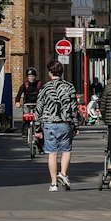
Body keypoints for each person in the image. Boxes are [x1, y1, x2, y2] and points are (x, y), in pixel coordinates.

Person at [37, 61, 78, 191]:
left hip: (49, 123)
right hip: (65, 122)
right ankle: (64, 174)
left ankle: (53, 183)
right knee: (66, 151)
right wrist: (76, 125)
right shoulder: (69, 87)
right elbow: (74, 108)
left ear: (50, 73)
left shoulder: (45, 88)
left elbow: (39, 107)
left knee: (52, 153)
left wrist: (38, 127)